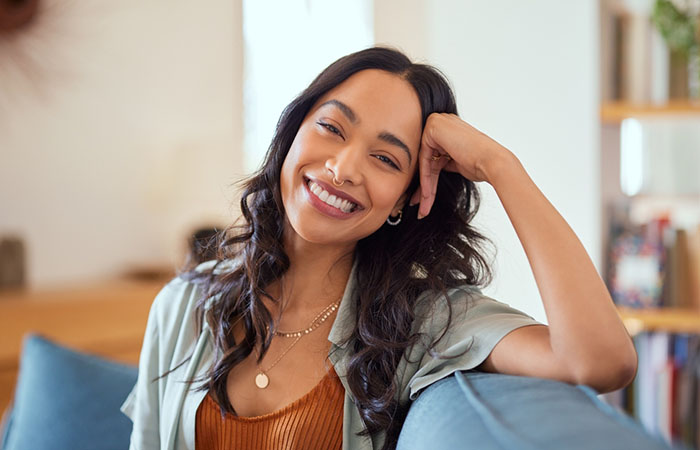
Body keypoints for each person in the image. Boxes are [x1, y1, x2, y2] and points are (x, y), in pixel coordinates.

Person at [120, 47, 637, 450]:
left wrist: (500, 167)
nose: (344, 168)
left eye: (386, 160)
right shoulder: (183, 304)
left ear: (405, 199)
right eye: (330, 127)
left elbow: (599, 361)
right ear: (291, 133)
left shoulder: (422, 320)